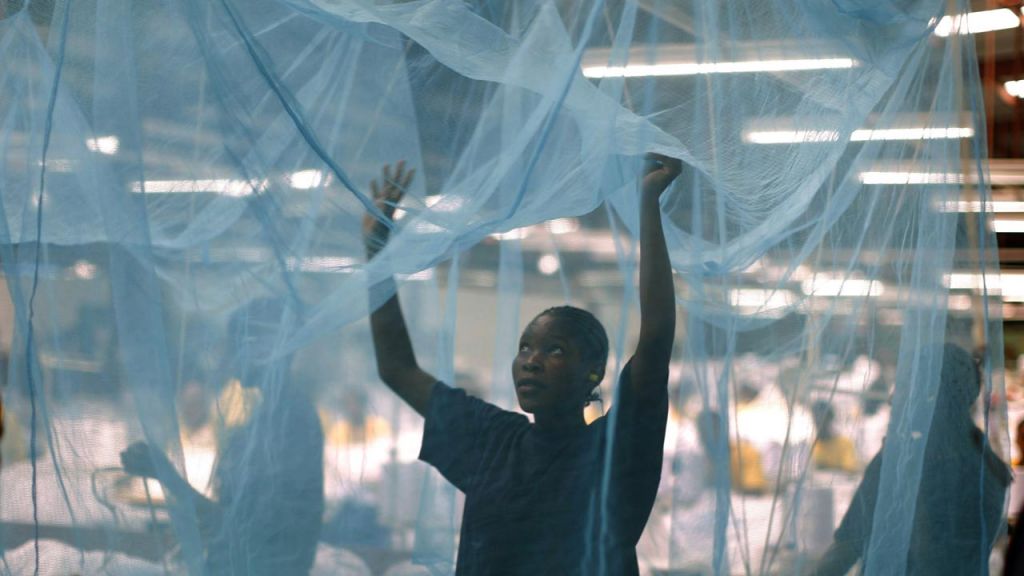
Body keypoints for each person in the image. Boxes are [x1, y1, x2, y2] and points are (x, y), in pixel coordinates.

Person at [363, 155, 681, 574]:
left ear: (593, 373)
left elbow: (656, 337)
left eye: (554, 350)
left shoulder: (615, 448)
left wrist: (647, 204)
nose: (531, 361)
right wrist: (376, 260)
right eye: (525, 347)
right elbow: (398, 369)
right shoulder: (492, 441)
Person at [120, 298, 325, 575]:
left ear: (261, 349)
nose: (228, 358)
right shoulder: (272, 414)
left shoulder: (289, 422)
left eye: (235, 346)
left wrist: (166, 474)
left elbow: (249, 531)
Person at [808, 344, 1010, 576]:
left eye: (904, 387)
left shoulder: (899, 466)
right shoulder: (988, 467)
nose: (892, 400)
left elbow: (845, 549)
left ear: (931, 396)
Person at [810, 400, 858, 473]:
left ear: (830, 420)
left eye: (824, 420)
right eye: (816, 420)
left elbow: (849, 471)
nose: (820, 424)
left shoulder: (844, 444)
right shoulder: (810, 445)